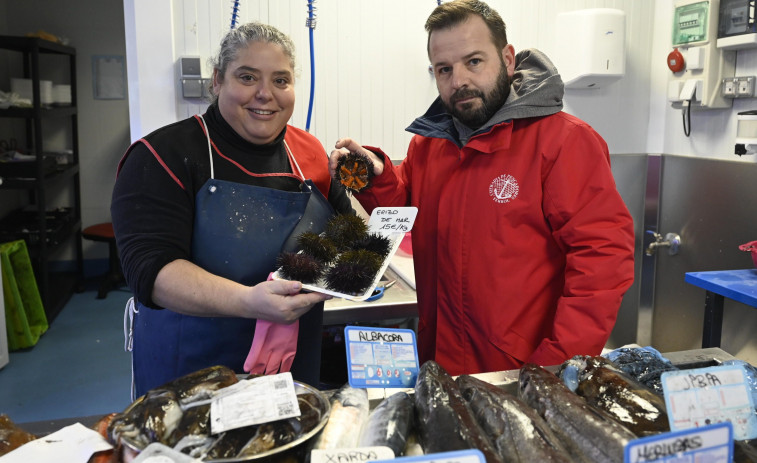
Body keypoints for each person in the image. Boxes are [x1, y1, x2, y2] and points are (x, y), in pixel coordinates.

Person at [329, 0, 635, 376]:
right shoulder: (429, 146)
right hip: (440, 361)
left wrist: (555, 368)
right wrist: (376, 176)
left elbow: (602, 264)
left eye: (474, 62)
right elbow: (406, 210)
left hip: (522, 373)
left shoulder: (565, 143)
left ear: (507, 59)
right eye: (444, 69)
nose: (458, 81)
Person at [111, 22, 353, 397]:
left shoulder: (309, 153)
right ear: (217, 81)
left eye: (281, 81)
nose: (265, 94)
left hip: (291, 370)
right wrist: (248, 302)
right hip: (189, 376)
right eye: (247, 77)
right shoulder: (163, 155)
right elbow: (151, 270)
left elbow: (346, 233)